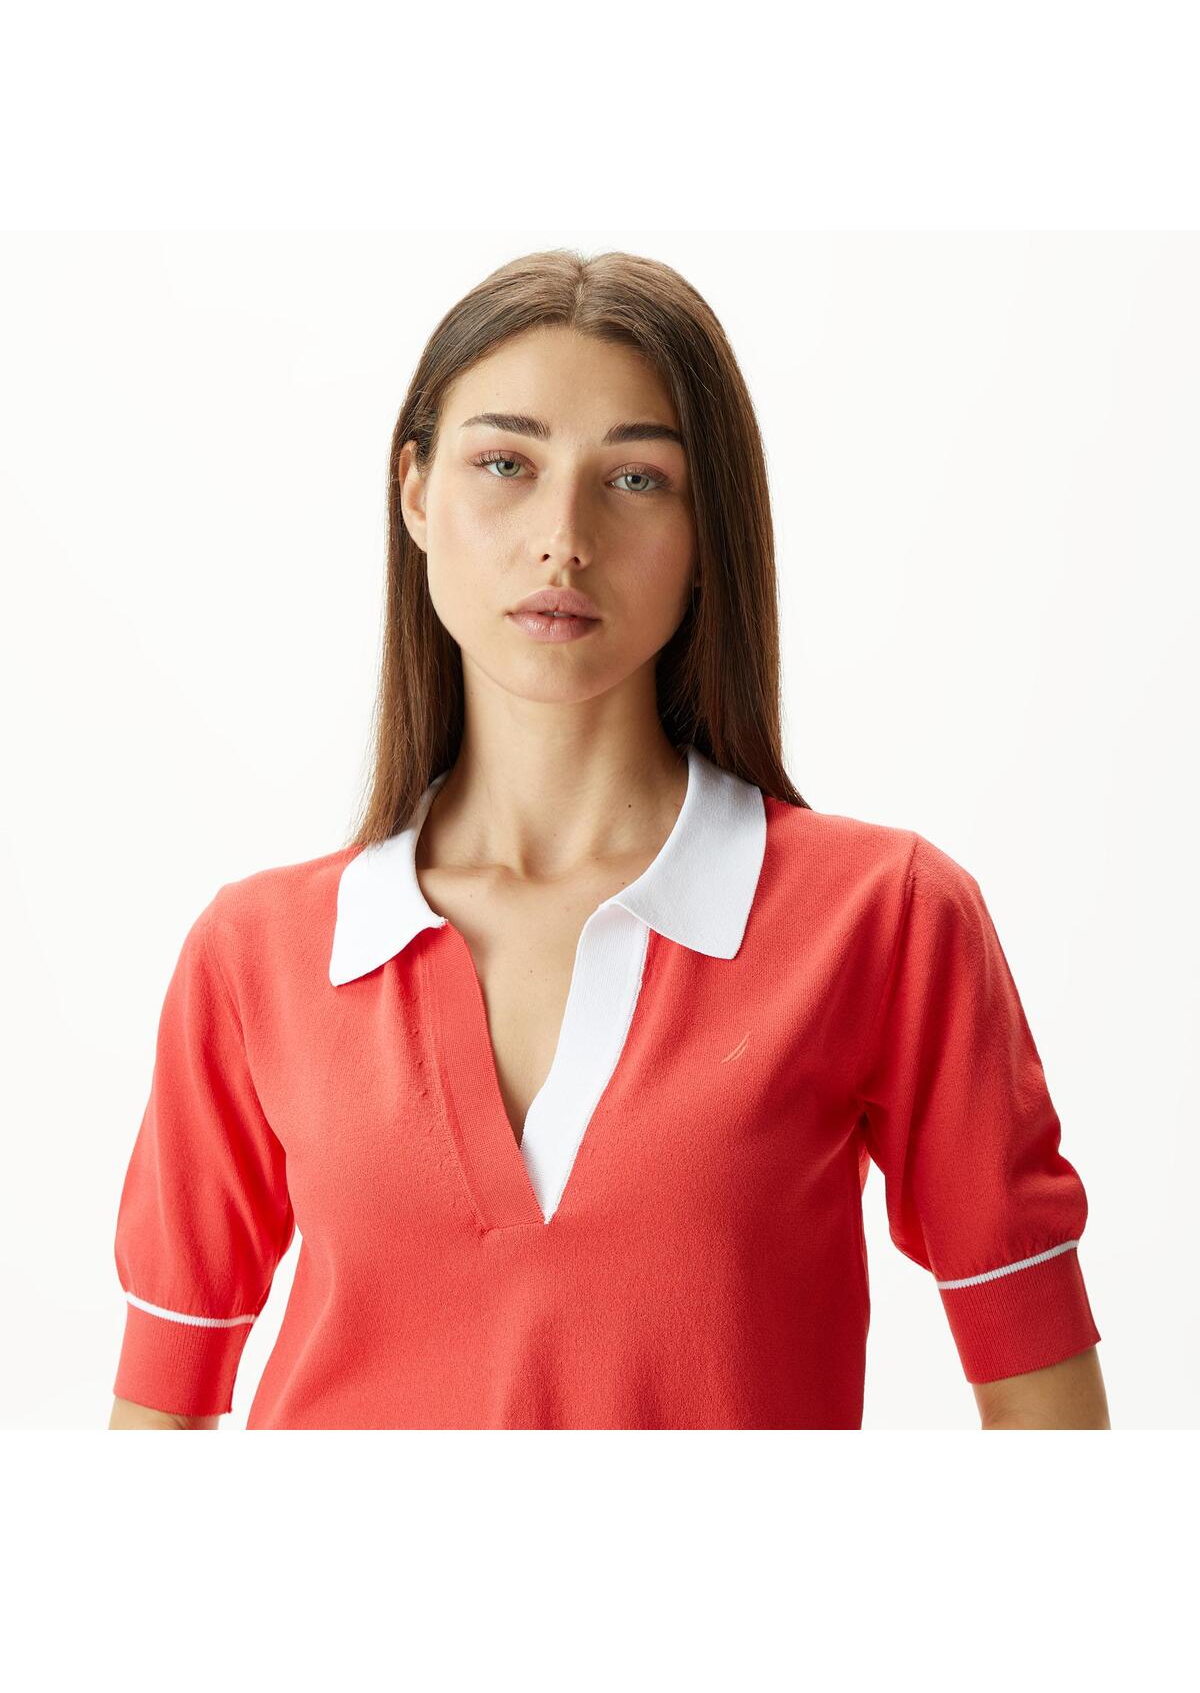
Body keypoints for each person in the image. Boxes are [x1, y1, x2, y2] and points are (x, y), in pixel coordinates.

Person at [109, 248, 1108, 1430]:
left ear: (708, 528)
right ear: (415, 492)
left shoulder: (887, 918)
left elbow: (1047, 1422)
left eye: (635, 478)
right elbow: (156, 1430)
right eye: (506, 464)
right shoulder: (255, 953)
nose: (562, 538)